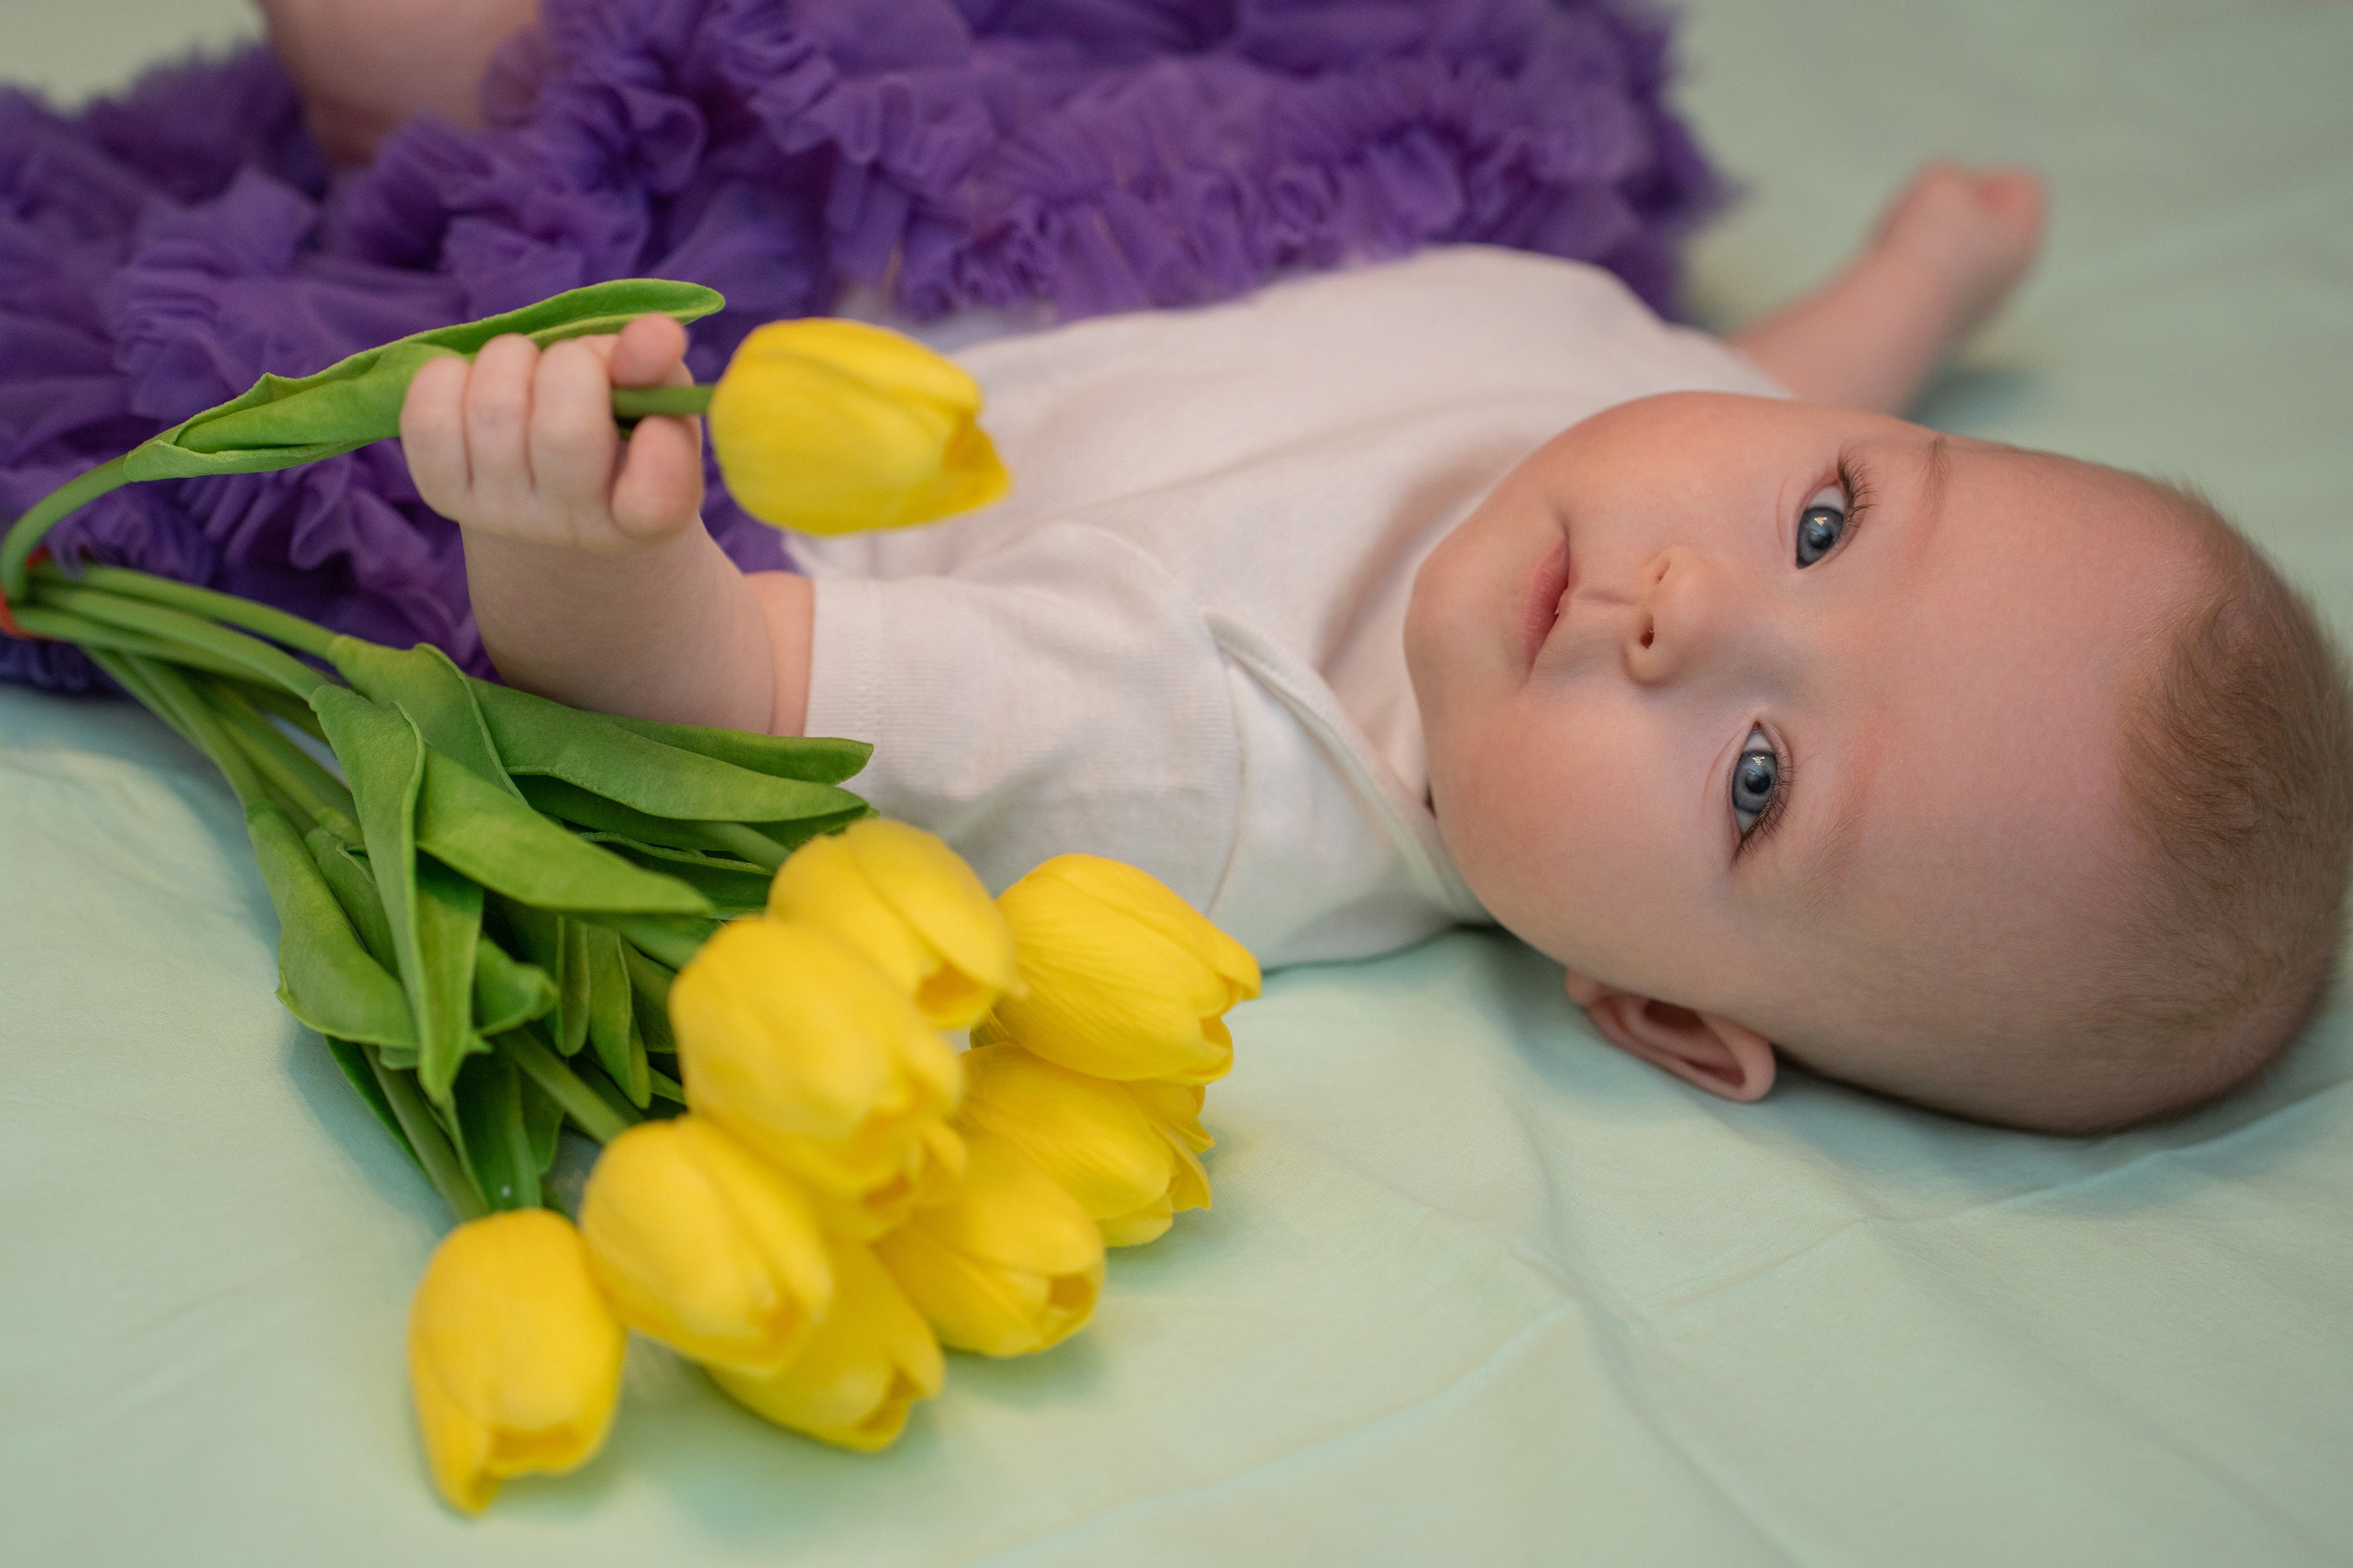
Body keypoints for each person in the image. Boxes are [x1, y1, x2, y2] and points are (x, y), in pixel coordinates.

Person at [389, 153, 2353, 1138]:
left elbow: (724, 690)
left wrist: (565, 539)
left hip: (743, 292)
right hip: (1042, 159)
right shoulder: (1669, 448)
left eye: (1756, 780)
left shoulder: (1220, 753)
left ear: (1653, 1009)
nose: (1695, 608)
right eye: (1831, 520)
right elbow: (1734, 374)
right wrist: (1917, 279)